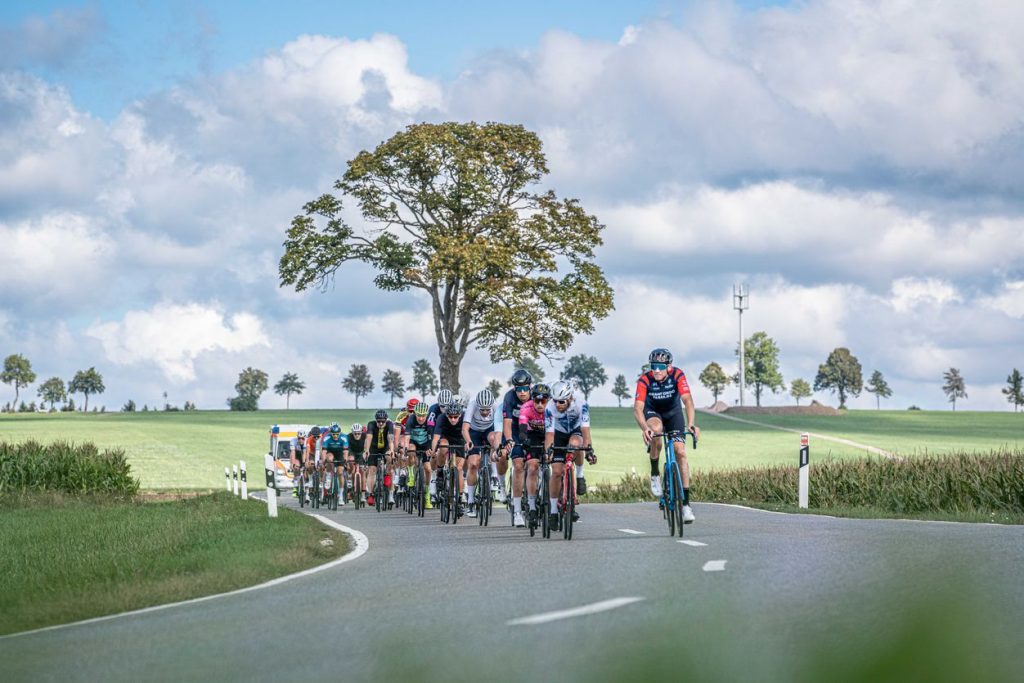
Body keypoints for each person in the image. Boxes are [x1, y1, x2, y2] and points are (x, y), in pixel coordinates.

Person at [633, 347, 700, 523]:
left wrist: (691, 423)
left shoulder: (678, 375)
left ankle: (686, 505)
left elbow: (687, 400)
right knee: (656, 431)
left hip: (673, 414)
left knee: (681, 453)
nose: (655, 370)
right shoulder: (644, 380)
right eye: (653, 366)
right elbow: (638, 408)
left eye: (660, 367)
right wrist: (644, 428)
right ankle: (655, 473)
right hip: (653, 413)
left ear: (669, 367)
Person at [544, 380, 595, 530]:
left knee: (576, 444)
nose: (558, 404)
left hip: (575, 431)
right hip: (558, 434)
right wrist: (549, 451)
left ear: (570, 398)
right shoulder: (549, 407)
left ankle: (579, 476)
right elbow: (549, 434)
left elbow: (586, 431)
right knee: (557, 472)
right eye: (555, 401)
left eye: (561, 401)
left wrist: (589, 450)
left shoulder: (581, 404)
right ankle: (553, 511)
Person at [461, 388, 502, 518]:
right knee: (473, 464)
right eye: (482, 410)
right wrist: (468, 442)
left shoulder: (496, 406)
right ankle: (471, 501)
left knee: (493, 440)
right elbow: (465, 429)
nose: (484, 412)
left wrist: (496, 448)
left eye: (487, 410)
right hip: (474, 432)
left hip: (489, 430)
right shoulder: (472, 405)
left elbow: (498, 430)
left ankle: (494, 475)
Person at [517, 382, 550, 527]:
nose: (540, 404)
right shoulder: (526, 407)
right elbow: (523, 429)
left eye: (543, 401)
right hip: (533, 435)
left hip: (550, 434)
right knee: (532, 467)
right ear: (533, 399)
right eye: (537, 400)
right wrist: (525, 440)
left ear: (548, 400)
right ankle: (531, 506)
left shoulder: (553, 409)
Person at [503, 369, 533, 527]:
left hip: (533, 431)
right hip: (515, 433)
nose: (522, 392)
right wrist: (508, 440)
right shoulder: (509, 397)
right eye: (518, 389)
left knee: (536, 463)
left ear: (530, 387)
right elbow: (507, 423)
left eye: (525, 388)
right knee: (519, 465)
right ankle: (517, 511)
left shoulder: (537, 397)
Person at [431, 396, 468, 518]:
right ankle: (440, 471)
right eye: (450, 417)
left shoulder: (464, 418)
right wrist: (433, 450)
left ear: (460, 415)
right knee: (443, 447)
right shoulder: (442, 418)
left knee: (459, 469)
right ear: (447, 415)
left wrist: (469, 443)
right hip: (446, 438)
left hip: (459, 440)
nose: (453, 419)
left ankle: (459, 498)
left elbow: (468, 434)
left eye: (455, 417)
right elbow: (436, 437)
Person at [402, 401, 433, 509]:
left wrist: (431, 449)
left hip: (425, 444)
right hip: (414, 442)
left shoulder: (430, 421)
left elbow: (432, 437)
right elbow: (407, 437)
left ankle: (427, 493)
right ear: (415, 414)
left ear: (427, 414)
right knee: (411, 450)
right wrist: (405, 448)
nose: (420, 418)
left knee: (428, 469)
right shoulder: (411, 419)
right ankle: (411, 475)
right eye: (418, 415)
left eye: (423, 415)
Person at [366, 409, 395, 506]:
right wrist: (366, 451)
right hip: (373, 448)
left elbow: (390, 439)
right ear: (376, 420)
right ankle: (370, 494)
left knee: (389, 457)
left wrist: (392, 451)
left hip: (385, 448)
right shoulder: (371, 424)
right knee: (372, 470)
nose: (381, 423)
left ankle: (390, 493)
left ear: (386, 420)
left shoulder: (390, 424)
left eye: (383, 421)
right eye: (379, 421)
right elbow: (369, 437)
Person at [321, 424, 348, 505]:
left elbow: (346, 451)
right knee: (329, 459)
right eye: (333, 434)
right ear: (331, 433)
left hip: (340, 453)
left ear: (339, 433)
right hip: (330, 452)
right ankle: (329, 475)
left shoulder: (344, 437)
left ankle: (340, 496)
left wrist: (345, 460)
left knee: (340, 472)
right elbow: (324, 451)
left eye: (337, 434)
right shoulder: (327, 437)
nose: (335, 436)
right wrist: (323, 461)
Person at [346, 423, 367, 504]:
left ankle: (363, 495)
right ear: (352, 432)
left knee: (363, 472)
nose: (357, 435)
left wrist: (366, 454)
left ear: (361, 432)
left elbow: (367, 447)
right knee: (351, 461)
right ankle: (350, 478)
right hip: (352, 453)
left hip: (361, 454)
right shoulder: (348, 437)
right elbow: (346, 449)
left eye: (359, 433)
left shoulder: (365, 436)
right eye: (355, 433)